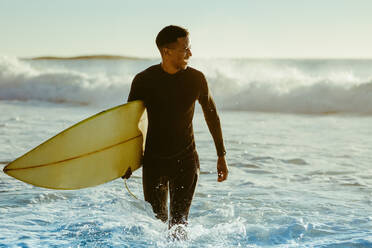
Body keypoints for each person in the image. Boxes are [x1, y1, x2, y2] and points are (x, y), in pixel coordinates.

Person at [124, 25, 228, 235]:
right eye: (185, 49)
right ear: (167, 51)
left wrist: (221, 155)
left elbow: (211, 114)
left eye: (189, 48)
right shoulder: (144, 80)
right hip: (154, 162)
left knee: (179, 225)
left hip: (186, 160)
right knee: (157, 225)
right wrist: (125, 159)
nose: (190, 53)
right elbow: (129, 122)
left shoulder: (196, 79)